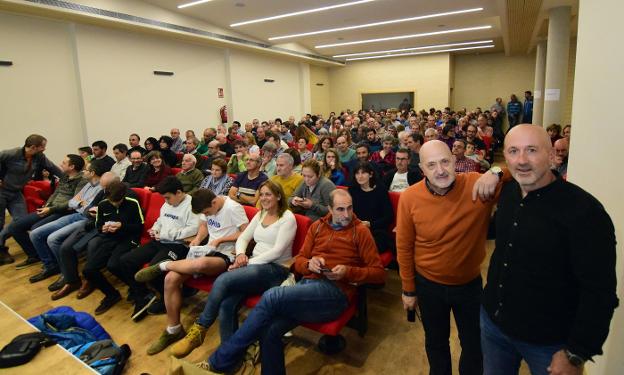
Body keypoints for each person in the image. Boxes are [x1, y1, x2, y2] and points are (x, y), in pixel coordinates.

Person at [481, 124, 618, 375]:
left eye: (531, 150)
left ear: (552, 155)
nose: (521, 160)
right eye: (513, 151)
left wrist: (577, 353)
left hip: (549, 342)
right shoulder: (509, 192)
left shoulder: (585, 212)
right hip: (494, 326)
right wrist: (495, 170)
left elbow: (600, 292)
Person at [204, 189, 386, 374]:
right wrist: (309, 264)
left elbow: (379, 274)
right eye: (340, 209)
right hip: (307, 288)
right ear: (330, 208)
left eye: (349, 208)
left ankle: (222, 358)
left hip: (334, 293)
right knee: (270, 330)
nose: (346, 214)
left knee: (272, 296)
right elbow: (298, 261)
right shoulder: (317, 227)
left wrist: (348, 272)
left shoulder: (361, 231)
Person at [396, 140, 507, 375]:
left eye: (445, 161)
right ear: (422, 169)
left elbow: (518, 173)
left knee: (474, 346)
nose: (440, 170)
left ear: (455, 161)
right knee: (436, 344)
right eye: (432, 164)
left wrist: (495, 172)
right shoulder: (409, 198)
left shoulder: (477, 185)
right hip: (428, 286)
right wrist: (408, 289)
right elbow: (404, 246)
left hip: (470, 285)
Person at [170, 181, 296, 358]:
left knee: (223, 279)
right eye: (262, 194)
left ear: (278, 196)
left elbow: (277, 251)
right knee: (226, 303)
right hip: (254, 266)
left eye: (269, 194)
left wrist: (246, 263)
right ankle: (229, 356)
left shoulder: (288, 217)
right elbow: (243, 237)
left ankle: (200, 329)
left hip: (275, 269)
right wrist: (240, 255)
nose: (265, 198)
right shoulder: (261, 214)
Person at [135, 189, 248, 355]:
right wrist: (197, 239)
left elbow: (246, 232)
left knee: (201, 264)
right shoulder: (206, 206)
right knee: (170, 279)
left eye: (207, 212)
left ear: (214, 203)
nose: (206, 215)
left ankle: (163, 265)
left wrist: (220, 239)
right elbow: (203, 225)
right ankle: (173, 330)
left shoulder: (233, 207)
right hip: (207, 250)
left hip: (225, 254)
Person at [119, 177, 199, 322]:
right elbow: (160, 220)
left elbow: (192, 230)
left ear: (179, 192)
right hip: (159, 240)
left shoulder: (193, 205)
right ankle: (143, 295)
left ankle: (166, 299)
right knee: (126, 261)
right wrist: (154, 229)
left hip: (179, 245)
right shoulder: (167, 203)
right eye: (164, 198)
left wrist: (164, 234)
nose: (166, 201)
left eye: (168, 198)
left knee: (154, 270)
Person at [27, 164, 105, 283]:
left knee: (52, 239)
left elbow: (88, 209)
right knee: (35, 234)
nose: (83, 172)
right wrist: (80, 203)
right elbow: (72, 202)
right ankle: (51, 266)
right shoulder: (88, 184)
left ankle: (66, 274)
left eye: (86, 170)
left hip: (85, 219)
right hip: (75, 214)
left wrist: (81, 203)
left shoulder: (102, 187)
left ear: (92, 173)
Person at [6, 154, 86, 269]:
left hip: (62, 211)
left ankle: (50, 262)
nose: (60, 164)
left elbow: (73, 202)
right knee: (14, 227)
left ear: (72, 166)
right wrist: (47, 205)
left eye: (64, 163)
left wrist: (50, 209)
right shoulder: (65, 176)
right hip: (49, 208)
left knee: (35, 229)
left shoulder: (82, 181)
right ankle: (35, 255)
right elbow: (55, 193)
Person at [80, 181, 144, 314]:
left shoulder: (132, 203)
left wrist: (122, 226)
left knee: (113, 265)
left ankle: (139, 290)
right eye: (112, 201)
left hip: (129, 238)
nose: (114, 204)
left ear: (123, 196)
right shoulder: (103, 204)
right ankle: (111, 294)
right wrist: (103, 228)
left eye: (117, 201)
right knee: (88, 270)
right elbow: (98, 225)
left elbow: (139, 227)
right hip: (110, 238)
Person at [0, 135, 64, 264]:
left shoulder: (39, 156)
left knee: (21, 222)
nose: (44, 149)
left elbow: (52, 168)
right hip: (2, 191)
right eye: (42, 147)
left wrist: (68, 179)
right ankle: (1, 250)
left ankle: (29, 252)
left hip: (17, 193)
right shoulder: (11, 154)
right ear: (33, 147)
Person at [348, 162, 393, 252]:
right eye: (357, 173)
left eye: (363, 173)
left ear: (371, 174)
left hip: (376, 231)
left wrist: (370, 224)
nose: (360, 176)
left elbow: (389, 217)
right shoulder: (352, 190)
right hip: (356, 229)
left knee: (365, 247)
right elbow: (349, 213)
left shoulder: (381, 190)